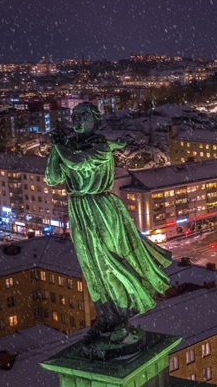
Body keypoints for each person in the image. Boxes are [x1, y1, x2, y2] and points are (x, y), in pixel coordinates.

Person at [46, 103, 171, 349]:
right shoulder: (69, 147)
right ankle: (107, 317)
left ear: (95, 120)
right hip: (79, 210)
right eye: (74, 115)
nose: (76, 119)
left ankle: (122, 316)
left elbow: (77, 163)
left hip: (101, 209)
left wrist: (60, 146)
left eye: (83, 115)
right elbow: (52, 178)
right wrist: (54, 148)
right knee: (92, 268)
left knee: (109, 263)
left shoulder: (100, 146)